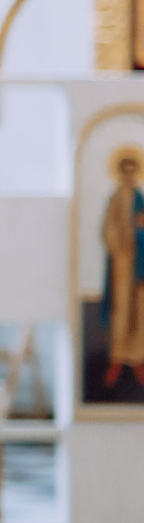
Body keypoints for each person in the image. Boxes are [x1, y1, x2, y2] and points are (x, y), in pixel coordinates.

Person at [102, 148, 144, 388]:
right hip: (123, 265)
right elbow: (109, 228)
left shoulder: (140, 198)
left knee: (139, 313)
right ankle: (117, 359)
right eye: (125, 171)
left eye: (133, 171)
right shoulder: (116, 198)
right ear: (120, 173)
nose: (129, 176)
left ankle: (137, 358)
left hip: (141, 264)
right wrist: (120, 249)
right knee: (122, 312)